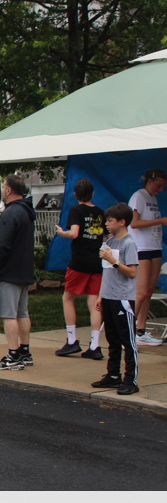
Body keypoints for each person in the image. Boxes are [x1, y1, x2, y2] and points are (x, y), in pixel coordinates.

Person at [91, 203, 141, 396]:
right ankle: (113, 374)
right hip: (109, 296)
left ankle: (131, 379)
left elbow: (132, 272)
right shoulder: (110, 242)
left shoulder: (129, 244)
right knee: (112, 338)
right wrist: (101, 295)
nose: (107, 224)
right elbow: (107, 272)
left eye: (110, 221)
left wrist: (114, 260)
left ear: (122, 222)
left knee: (127, 340)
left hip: (123, 298)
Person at [0, 174, 37, 370]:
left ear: (8, 190)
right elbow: (13, 240)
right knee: (22, 312)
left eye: (3, 187)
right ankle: (25, 351)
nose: (2, 190)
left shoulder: (10, 213)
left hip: (9, 270)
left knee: (8, 314)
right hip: (24, 268)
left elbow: (3, 245)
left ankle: (13, 355)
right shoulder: (26, 211)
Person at [53, 179, 105, 359]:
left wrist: (62, 233)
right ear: (93, 194)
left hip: (80, 262)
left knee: (68, 298)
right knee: (94, 303)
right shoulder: (100, 213)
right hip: (97, 262)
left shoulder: (76, 210)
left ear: (75, 195)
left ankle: (72, 340)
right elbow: (107, 235)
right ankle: (95, 345)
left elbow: (74, 233)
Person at [128, 169, 167, 346]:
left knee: (149, 291)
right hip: (141, 248)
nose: (160, 190)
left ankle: (141, 331)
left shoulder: (153, 199)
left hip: (155, 247)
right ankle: (127, 330)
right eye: (159, 185)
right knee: (141, 291)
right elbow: (134, 223)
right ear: (150, 181)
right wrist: (160, 221)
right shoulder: (139, 196)